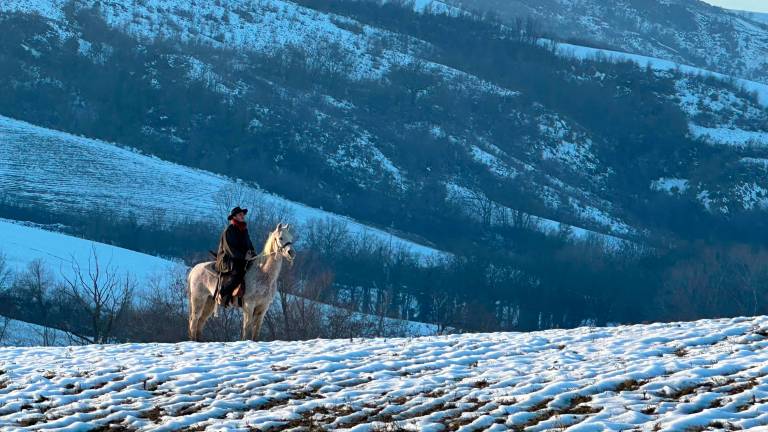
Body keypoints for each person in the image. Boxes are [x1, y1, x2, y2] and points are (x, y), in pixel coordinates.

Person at [215, 206, 256, 306]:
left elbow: (249, 245)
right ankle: (222, 293)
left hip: (241, 258)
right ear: (234, 217)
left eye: (243, 214)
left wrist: (253, 254)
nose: (243, 216)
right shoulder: (229, 230)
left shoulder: (244, 230)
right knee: (238, 273)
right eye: (240, 214)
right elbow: (230, 250)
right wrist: (244, 256)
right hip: (228, 260)